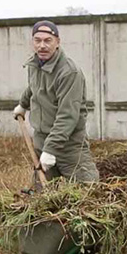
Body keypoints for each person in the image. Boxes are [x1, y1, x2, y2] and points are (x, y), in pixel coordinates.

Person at [13, 20, 100, 183]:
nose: (42, 46)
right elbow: (34, 86)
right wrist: (23, 104)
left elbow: (68, 116)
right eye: (37, 40)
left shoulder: (69, 73)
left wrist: (51, 149)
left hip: (69, 145)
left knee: (88, 194)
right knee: (42, 197)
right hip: (41, 141)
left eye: (48, 40)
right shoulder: (35, 64)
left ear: (57, 42)